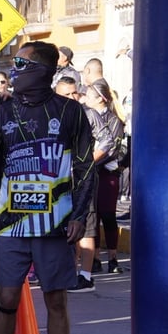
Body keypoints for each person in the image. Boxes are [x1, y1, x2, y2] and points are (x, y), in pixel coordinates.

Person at [0, 41, 94, 334]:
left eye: (22, 64)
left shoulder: (71, 111)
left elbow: (85, 166)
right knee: (7, 299)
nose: (14, 71)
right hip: (12, 224)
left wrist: (79, 215)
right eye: (13, 64)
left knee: (56, 300)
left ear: (44, 71)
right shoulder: (3, 112)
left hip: (55, 224)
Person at [70, 77, 127, 291]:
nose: (75, 96)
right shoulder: (57, 112)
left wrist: (86, 163)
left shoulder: (102, 118)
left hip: (101, 176)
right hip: (66, 180)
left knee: (101, 218)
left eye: (75, 93)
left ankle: (97, 267)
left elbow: (111, 144)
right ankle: (79, 267)